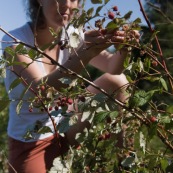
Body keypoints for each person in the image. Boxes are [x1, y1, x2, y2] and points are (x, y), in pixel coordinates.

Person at [1, 0, 139, 172]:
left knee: (117, 81)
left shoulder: (72, 35)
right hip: (30, 142)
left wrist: (123, 48)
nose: (67, 4)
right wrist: (84, 54)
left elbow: (113, 68)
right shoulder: (14, 40)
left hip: (68, 126)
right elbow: (42, 92)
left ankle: (124, 163)